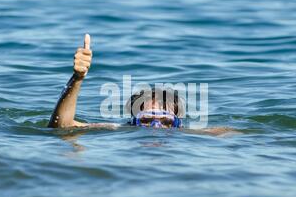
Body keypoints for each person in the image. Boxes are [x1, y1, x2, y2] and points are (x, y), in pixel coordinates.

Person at [48, 34, 237, 136]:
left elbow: (231, 132)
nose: (156, 129)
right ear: (132, 122)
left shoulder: (190, 134)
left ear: (178, 125)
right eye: (146, 121)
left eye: (166, 123)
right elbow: (62, 126)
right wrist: (77, 79)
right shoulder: (118, 129)